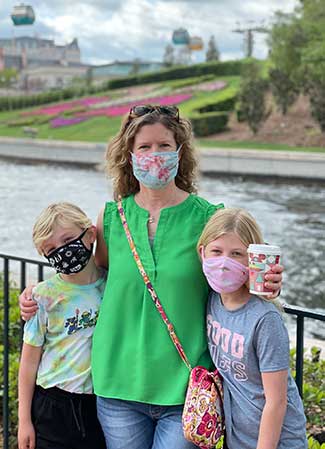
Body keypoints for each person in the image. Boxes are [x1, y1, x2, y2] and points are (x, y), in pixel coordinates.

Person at [19, 105, 283, 449]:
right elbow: (91, 278)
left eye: (164, 145)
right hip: (116, 386)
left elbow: (233, 276)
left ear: (180, 151)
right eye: (144, 147)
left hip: (183, 389)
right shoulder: (111, 218)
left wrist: (268, 282)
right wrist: (35, 295)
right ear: (129, 155)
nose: (154, 155)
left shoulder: (209, 218)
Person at [198, 207, 307, 449]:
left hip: (278, 443)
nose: (224, 263)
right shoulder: (212, 299)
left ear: (252, 261)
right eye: (217, 251)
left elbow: (276, 401)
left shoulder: (265, 319)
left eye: (236, 254)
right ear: (202, 253)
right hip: (239, 440)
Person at [18, 202, 107, 449]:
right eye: (51, 249)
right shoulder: (43, 297)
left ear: (90, 234)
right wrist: (24, 420)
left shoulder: (113, 286)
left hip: (99, 404)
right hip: (52, 404)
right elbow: (29, 362)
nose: (62, 251)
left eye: (68, 239)